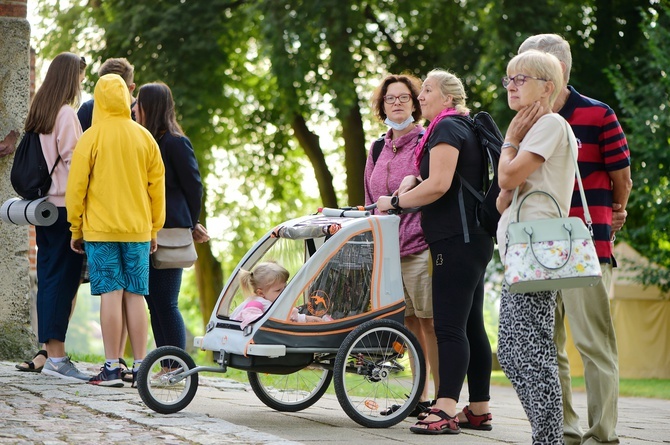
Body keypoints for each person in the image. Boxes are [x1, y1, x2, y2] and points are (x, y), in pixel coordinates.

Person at [518, 33, 632, 445]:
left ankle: (603, 434)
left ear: (556, 71)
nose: (518, 79)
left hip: (584, 243)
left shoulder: (598, 115)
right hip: (538, 246)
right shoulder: (525, 119)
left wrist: (614, 212)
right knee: (549, 346)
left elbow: (623, 177)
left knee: (593, 344)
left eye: (527, 70)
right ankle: (565, 430)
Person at [377, 69, 494, 434]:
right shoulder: (459, 127)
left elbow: (439, 185)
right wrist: (413, 182)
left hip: (455, 239)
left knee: (448, 326)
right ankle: (478, 409)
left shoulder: (446, 129)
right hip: (472, 237)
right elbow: (436, 179)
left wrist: (396, 202)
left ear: (448, 98)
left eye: (427, 90)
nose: (420, 95)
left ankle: (444, 408)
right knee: (471, 324)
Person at [495, 50, 576, 444]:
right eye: (508, 79)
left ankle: (548, 439)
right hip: (522, 248)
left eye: (520, 79)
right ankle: (546, 437)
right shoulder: (535, 130)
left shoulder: (550, 124)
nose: (511, 86)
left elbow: (507, 176)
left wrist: (509, 141)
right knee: (514, 349)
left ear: (548, 86)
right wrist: (510, 168)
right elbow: (502, 196)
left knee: (529, 346)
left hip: (538, 247)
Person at [66, 73, 166, 388]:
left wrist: (75, 227)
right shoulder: (145, 137)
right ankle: (140, 367)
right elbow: (157, 188)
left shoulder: (91, 137)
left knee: (110, 294)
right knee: (136, 295)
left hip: (101, 230)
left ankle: (111, 368)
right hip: (137, 231)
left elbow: (76, 188)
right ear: (126, 98)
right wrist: (154, 229)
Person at [364, 73, 438, 415]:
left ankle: (441, 399)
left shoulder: (426, 140)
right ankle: (419, 397)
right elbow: (369, 196)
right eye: (390, 98)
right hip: (389, 250)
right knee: (408, 323)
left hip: (420, 245)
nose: (396, 103)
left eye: (403, 98)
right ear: (382, 105)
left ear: (415, 103)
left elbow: (432, 188)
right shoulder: (377, 147)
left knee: (430, 322)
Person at [15, 53, 90, 381]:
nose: (82, 83)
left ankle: (47, 351)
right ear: (70, 77)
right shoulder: (65, 114)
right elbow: (76, 166)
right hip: (63, 210)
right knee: (64, 281)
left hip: (43, 209)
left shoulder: (39, 112)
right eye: (80, 77)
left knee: (47, 279)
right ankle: (58, 357)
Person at [133, 82, 209, 361]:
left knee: (166, 302)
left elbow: (194, 186)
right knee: (153, 302)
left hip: (170, 230)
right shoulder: (141, 141)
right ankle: (167, 364)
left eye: (138, 103)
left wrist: (192, 223)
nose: (133, 108)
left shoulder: (176, 143)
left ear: (148, 107)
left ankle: (177, 365)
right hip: (143, 230)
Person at [230, 261, 327, 324]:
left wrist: (307, 319)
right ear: (261, 293)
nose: (283, 293)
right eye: (278, 290)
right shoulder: (255, 304)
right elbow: (257, 324)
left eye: (285, 288)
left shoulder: (268, 300)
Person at [78, 57, 136, 131]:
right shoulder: (88, 110)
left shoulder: (142, 113)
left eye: (115, 89)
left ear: (131, 88)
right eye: (103, 86)